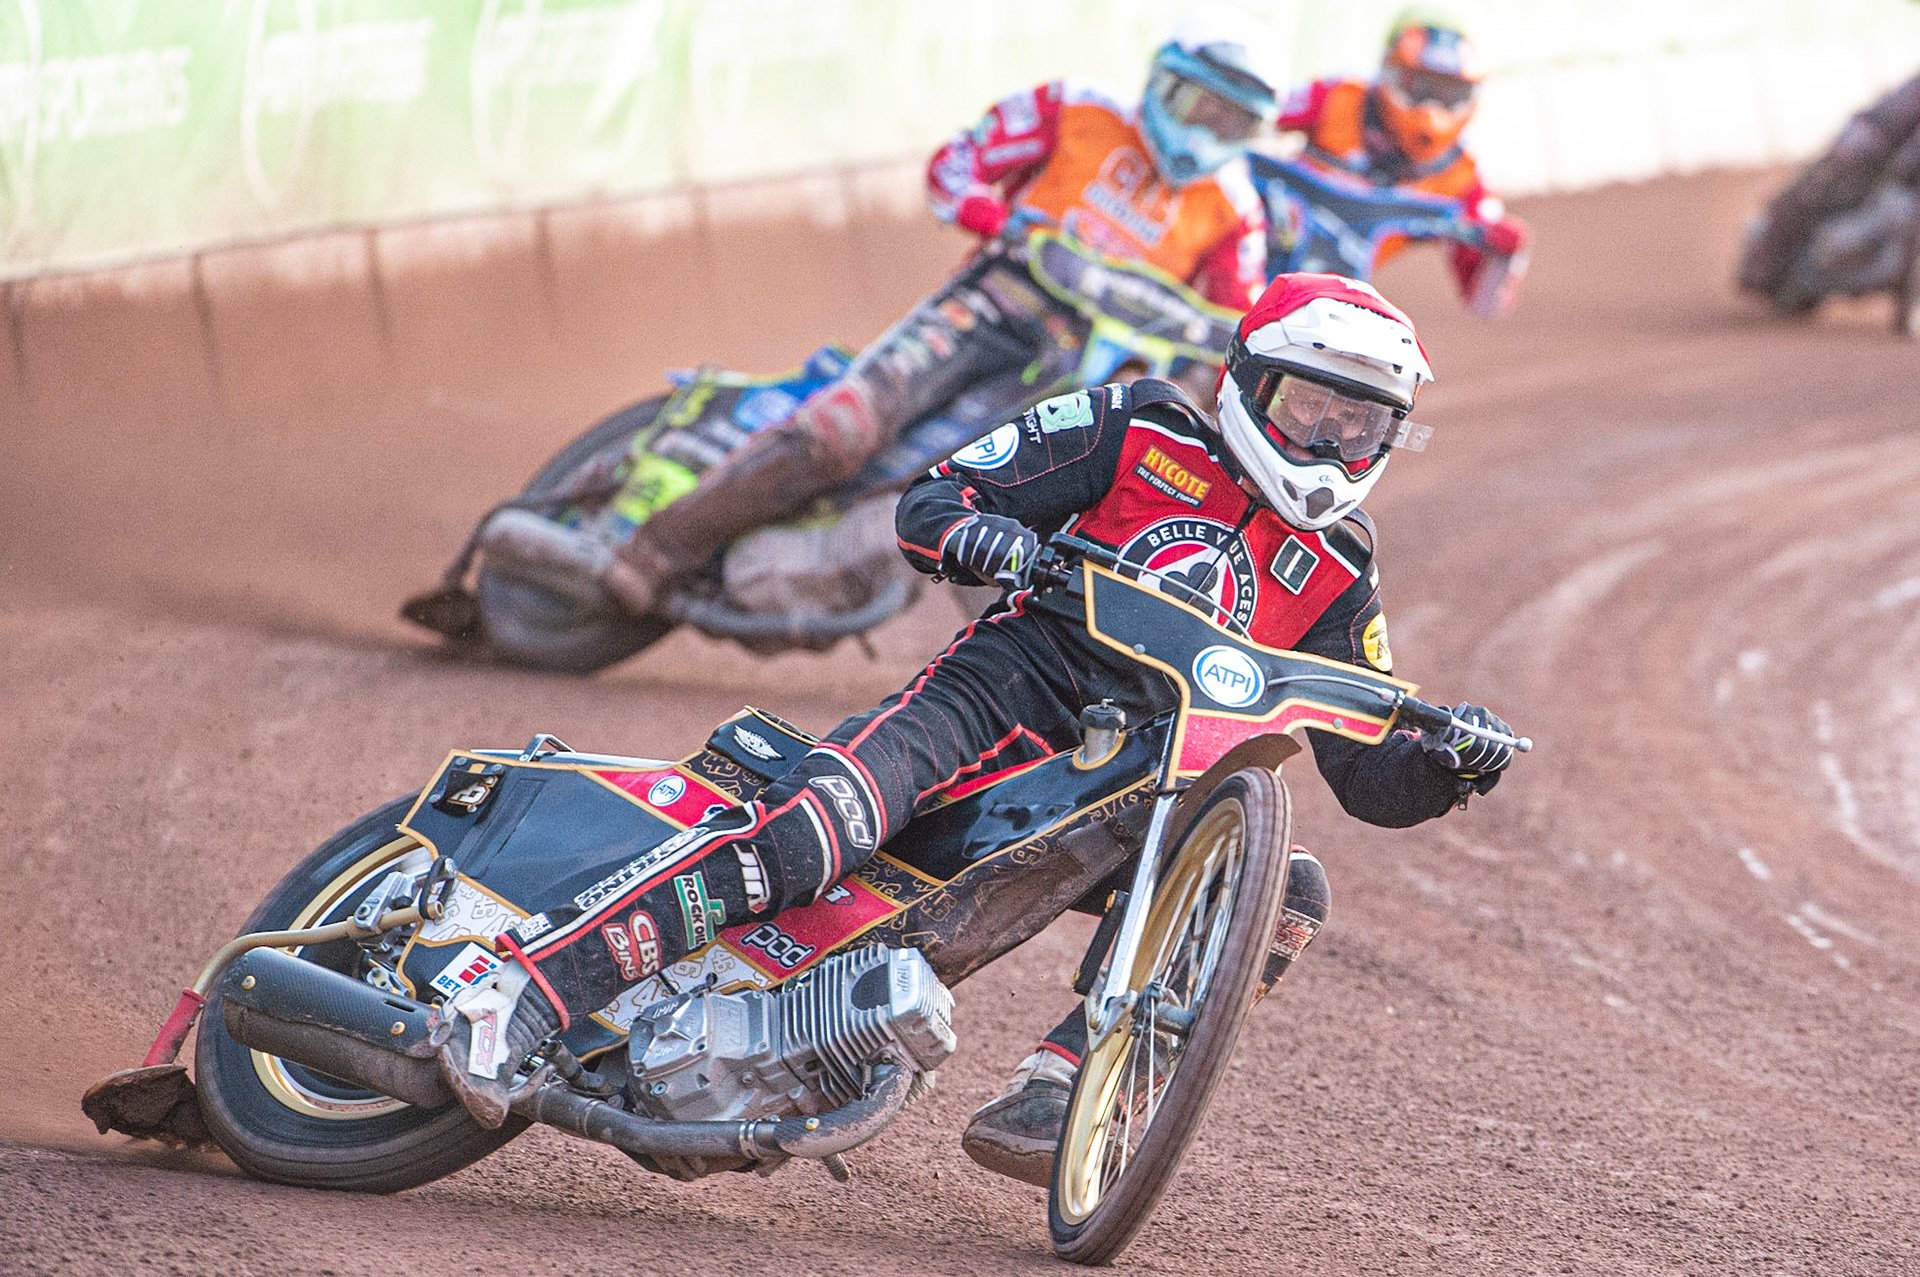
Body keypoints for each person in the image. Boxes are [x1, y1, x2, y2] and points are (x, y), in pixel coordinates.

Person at [428, 272, 1519, 1153]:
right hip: (996, 692)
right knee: (816, 830)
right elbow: (937, 499)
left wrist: (1448, 758)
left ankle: (1063, 1089)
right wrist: (985, 536)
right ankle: (522, 992)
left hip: (1127, 791)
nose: (1330, 443)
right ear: (1248, 382)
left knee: (1281, 891)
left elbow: (1371, 764)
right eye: (1311, 409)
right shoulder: (1139, 424)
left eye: (1361, 424)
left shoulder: (1340, 568)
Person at [476, 7, 1283, 620]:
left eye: (1231, 122)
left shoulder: (1237, 209)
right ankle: (646, 550)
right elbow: (955, 165)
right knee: (841, 433)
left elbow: (1231, 329)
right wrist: (1001, 220)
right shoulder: (1075, 110)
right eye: (1199, 105)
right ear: (1162, 79)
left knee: (973, 494)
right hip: (984, 311)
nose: (1206, 132)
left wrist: (1204, 390)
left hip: (1075, 372)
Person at [1274, 7, 1530, 317]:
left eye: (1450, 94)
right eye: (1421, 87)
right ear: (1389, 68)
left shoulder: (1465, 176)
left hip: (1325, 296)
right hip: (1255, 241)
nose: (1432, 109)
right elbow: (1258, 112)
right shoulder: (1340, 95)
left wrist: (1504, 258)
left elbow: (1485, 304)